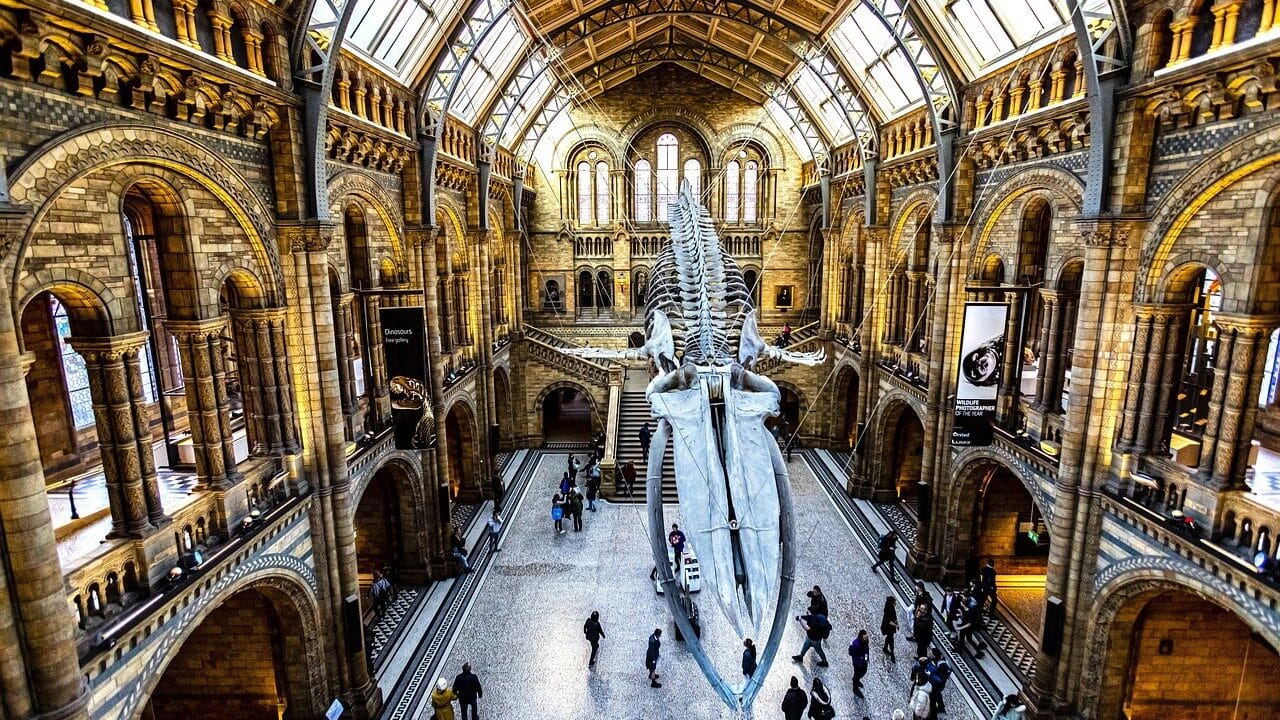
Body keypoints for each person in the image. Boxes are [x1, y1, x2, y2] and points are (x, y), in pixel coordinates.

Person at [927, 648, 951, 719]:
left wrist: (930, 675)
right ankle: (940, 706)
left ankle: (940, 707)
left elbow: (941, 679)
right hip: (938, 680)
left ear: (934, 655)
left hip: (940, 683)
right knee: (937, 694)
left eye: (930, 653)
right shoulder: (937, 660)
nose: (929, 653)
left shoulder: (942, 666)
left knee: (936, 693)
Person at [848, 629, 870, 698]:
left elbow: (866, 650)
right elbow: (851, 653)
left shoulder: (865, 642)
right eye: (865, 637)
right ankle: (855, 688)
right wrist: (859, 661)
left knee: (863, 671)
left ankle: (856, 680)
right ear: (861, 637)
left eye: (866, 637)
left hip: (863, 661)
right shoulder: (856, 644)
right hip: (858, 663)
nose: (866, 638)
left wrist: (866, 659)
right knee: (857, 674)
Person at [881, 595, 899, 661]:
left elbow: (894, 616)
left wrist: (897, 623)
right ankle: (892, 653)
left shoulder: (892, 607)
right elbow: (889, 621)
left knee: (889, 637)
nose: (895, 604)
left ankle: (885, 648)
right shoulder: (888, 610)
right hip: (888, 627)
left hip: (891, 627)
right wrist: (896, 625)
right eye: (894, 602)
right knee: (891, 640)